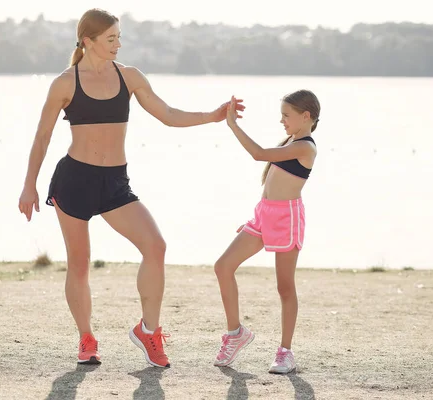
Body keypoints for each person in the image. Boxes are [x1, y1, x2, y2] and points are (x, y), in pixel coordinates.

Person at [17, 8, 244, 368]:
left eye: (119, 37)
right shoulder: (65, 82)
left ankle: (148, 331)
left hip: (115, 183)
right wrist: (29, 185)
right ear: (87, 41)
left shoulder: (130, 77)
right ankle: (86, 339)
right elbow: (42, 135)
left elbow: (167, 114)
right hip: (74, 180)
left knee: (155, 246)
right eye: (111, 39)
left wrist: (212, 116)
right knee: (79, 264)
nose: (118, 44)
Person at [213, 91, 320, 374]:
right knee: (223, 266)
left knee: (284, 287)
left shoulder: (306, 147)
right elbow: (271, 186)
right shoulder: (291, 142)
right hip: (264, 215)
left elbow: (258, 154)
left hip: (287, 218)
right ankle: (235, 333)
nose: (282, 120)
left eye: (287, 115)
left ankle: (285, 352)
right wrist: (257, 216)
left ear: (305, 116)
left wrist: (233, 125)